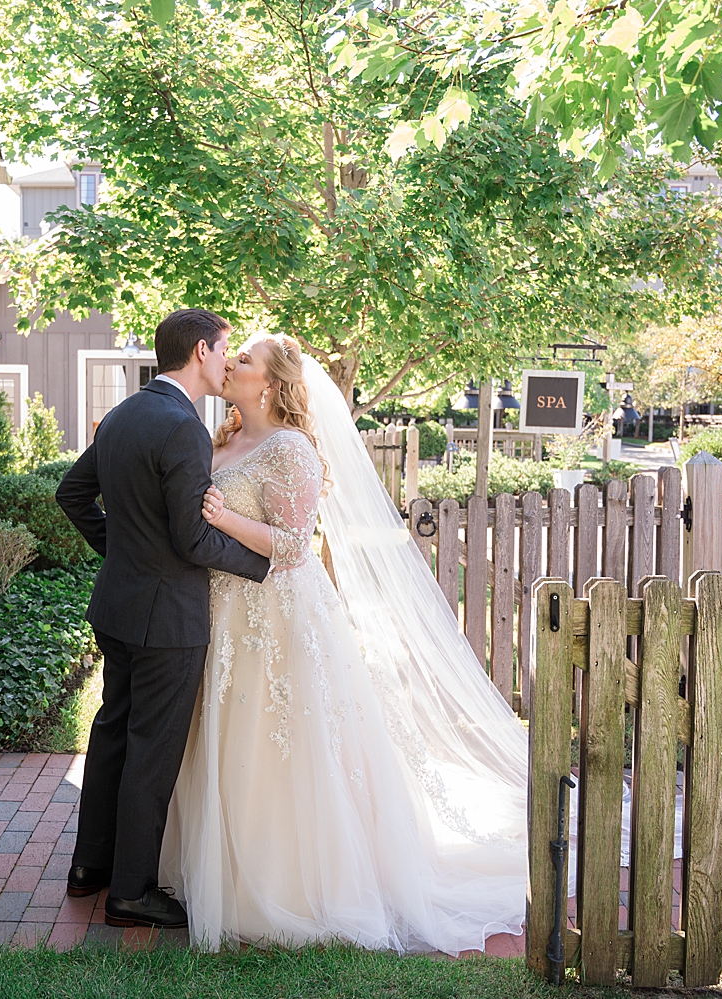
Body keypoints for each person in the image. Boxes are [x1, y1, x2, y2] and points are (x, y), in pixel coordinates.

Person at [158, 332, 530, 954]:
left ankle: (288, 885)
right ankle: (218, 870)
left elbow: (296, 544)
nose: (228, 365)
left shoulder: (292, 449)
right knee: (224, 739)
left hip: (275, 616)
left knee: (277, 746)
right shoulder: (220, 440)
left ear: (271, 384)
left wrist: (222, 518)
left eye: (242, 360)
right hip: (222, 613)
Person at [55, 309, 270, 930]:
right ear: (200, 351)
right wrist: (260, 563)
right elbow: (195, 542)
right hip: (167, 620)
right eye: (224, 348)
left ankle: (88, 868)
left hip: (118, 605)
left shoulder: (124, 413)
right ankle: (130, 892)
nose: (227, 360)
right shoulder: (181, 428)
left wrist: (122, 553)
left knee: (113, 734)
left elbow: (72, 494)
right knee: (151, 751)